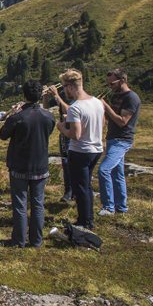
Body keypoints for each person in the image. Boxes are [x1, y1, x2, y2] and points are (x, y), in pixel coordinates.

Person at [0, 80, 56, 247]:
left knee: (20, 204)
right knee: (38, 204)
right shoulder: (49, 116)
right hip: (40, 165)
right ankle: (37, 240)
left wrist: (12, 115)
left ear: (24, 95)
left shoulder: (18, 117)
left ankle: (19, 240)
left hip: (19, 166)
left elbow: (3, 134)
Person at [47, 69, 104, 229]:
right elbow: (102, 123)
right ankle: (88, 217)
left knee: (80, 187)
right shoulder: (97, 102)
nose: (64, 91)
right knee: (86, 185)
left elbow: (75, 134)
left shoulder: (75, 107)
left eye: (65, 87)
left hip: (80, 151)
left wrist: (61, 127)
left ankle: (85, 221)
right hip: (96, 148)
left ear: (71, 86)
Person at [97, 68, 141, 216]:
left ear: (123, 80)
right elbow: (112, 117)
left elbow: (122, 121)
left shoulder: (131, 98)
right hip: (112, 138)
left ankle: (108, 207)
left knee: (104, 170)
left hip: (122, 140)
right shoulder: (116, 96)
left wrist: (105, 106)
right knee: (117, 174)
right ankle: (121, 208)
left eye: (112, 83)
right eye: (108, 84)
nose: (110, 86)